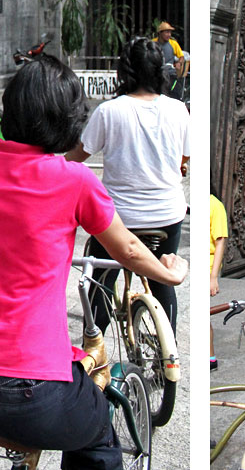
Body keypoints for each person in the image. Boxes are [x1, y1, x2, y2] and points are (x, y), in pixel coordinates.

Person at [0, 54, 187, 470]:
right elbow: (129, 251)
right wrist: (170, 271)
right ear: (68, 118)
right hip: (31, 386)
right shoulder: (74, 180)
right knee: (98, 433)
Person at [65, 36, 190, 332]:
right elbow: (185, 156)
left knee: (102, 282)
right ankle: (168, 353)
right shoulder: (179, 110)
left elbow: (78, 156)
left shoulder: (110, 111)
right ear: (161, 71)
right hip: (167, 215)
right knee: (161, 277)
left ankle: (94, 352)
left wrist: (52, 164)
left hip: (119, 219)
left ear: (124, 72)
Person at [210, 191, 228, 369]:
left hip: (208, 267)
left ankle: (210, 358)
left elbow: (220, 241)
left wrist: (213, 277)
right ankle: (210, 358)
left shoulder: (214, 204)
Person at [154, 21, 187, 100]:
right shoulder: (153, 43)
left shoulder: (173, 44)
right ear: (160, 33)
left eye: (170, 32)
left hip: (170, 73)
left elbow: (181, 57)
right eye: (167, 32)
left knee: (174, 93)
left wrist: (179, 63)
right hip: (156, 73)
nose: (169, 35)